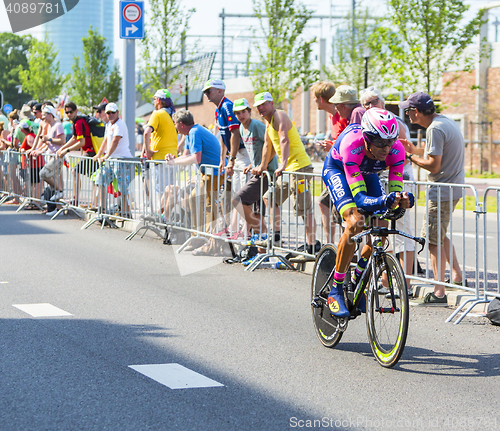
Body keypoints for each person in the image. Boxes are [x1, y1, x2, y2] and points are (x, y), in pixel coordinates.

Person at [322, 108, 414, 317]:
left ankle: (357, 282)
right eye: (380, 142)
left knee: (380, 230)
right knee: (355, 221)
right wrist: (384, 201)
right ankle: (336, 289)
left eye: (390, 142)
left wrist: (403, 201)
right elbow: (362, 200)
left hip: (367, 172)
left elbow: (395, 193)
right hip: (338, 169)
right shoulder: (351, 146)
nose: (386, 148)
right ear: (367, 138)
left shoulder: (396, 150)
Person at [399, 92, 466, 304]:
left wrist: (409, 156)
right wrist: (416, 150)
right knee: (440, 233)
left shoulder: (434, 129)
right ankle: (457, 275)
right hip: (452, 188)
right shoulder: (444, 121)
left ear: (416, 112)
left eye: (408, 110)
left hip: (441, 191)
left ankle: (439, 291)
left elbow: (433, 165)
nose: (407, 114)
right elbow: (436, 154)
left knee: (433, 240)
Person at [360, 87, 416, 295]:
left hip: (400, 179)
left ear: (382, 102)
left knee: (402, 231)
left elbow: (397, 154)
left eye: (373, 101)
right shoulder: (371, 124)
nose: (370, 106)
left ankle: (406, 283)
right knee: (382, 232)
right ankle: (386, 281)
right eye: (365, 103)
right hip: (379, 179)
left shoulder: (393, 123)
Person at [253, 91, 319, 255]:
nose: (261, 108)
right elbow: (268, 147)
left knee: (304, 208)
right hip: (288, 171)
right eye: (258, 106)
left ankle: (312, 244)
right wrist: (262, 166)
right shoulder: (268, 122)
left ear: (271, 103)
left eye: (264, 104)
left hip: (299, 169)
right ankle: (275, 236)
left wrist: (282, 164)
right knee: (270, 197)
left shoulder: (280, 116)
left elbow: (284, 139)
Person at [166, 109, 224, 252]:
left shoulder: (194, 132)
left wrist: (175, 163)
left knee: (207, 203)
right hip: (208, 172)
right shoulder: (189, 133)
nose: (174, 127)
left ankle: (208, 240)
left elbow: (196, 158)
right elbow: (186, 155)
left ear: (181, 124)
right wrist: (174, 159)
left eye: (175, 124)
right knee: (195, 199)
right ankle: (198, 237)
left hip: (215, 172)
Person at [203, 79, 251, 239]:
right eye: (205, 91)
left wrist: (231, 158)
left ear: (220, 91)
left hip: (242, 155)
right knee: (236, 194)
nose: (206, 94)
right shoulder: (219, 109)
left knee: (242, 195)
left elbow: (235, 134)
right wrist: (223, 159)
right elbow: (225, 136)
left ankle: (245, 231)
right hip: (235, 156)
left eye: (209, 90)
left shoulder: (227, 106)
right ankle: (235, 228)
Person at [231, 98, 279, 241]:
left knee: (237, 199)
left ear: (249, 111)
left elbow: (273, 147)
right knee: (258, 211)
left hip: (266, 172)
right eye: (237, 113)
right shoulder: (241, 128)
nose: (241, 116)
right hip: (258, 170)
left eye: (243, 112)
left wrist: (262, 165)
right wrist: (252, 165)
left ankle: (259, 231)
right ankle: (261, 241)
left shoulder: (257, 125)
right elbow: (256, 151)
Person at [311, 81, 349, 244]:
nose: (313, 101)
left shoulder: (341, 115)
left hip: (345, 171)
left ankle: (342, 249)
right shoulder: (331, 116)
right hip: (336, 169)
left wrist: (332, 146)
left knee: (341, 213)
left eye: (314, 98)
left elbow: (349, 142)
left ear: (321, 99)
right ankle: (330, 243)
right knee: (323, 202)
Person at [93, 103, 133, 217]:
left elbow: (115, 141)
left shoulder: (120, 125)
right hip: (112, 159)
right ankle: (102, 209)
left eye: (112, 112)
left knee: (122, 187)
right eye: (108, 113)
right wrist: (99, 154)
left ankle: (126, 212)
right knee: (100, 179)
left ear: (117, 113)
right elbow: (106, 141)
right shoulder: (108, 125)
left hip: (121, 159)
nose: (110, 115)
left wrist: (106, 156)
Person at [142, 89, 178, 219]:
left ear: (158, 100)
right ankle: (164, 216)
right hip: (173, 157)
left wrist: (148, 151)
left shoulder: (157, 114)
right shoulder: (173, 115)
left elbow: (147, 133)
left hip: (160, 157)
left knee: (162, 191)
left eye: (154, 99)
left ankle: (159, 215)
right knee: (171, 190)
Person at [55, 102, 98, 206]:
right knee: (94, 178)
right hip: (91, 151)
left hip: (91, 152)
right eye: (67, 112)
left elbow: (81, 142)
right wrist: (63, 147)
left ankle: (76, 199)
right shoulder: (77, 122)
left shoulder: (79, 122)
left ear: (76, 111)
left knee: (76, 171)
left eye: (70, 112)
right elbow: (75, 138)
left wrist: (66, 150)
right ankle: (94, 203)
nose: (69, 114)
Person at [35, 105, 66, 205]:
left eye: (44, 115)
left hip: (57, 156)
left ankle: (60, 190)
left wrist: (48, 139)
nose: (42, 117)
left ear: (50, 115)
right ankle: (58, 208)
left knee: (43, 174)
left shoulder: (58, 125)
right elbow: (50, 143)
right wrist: (41, 149)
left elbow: (62, 140)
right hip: (51, 155)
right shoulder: (50, 126)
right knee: (54, 181)